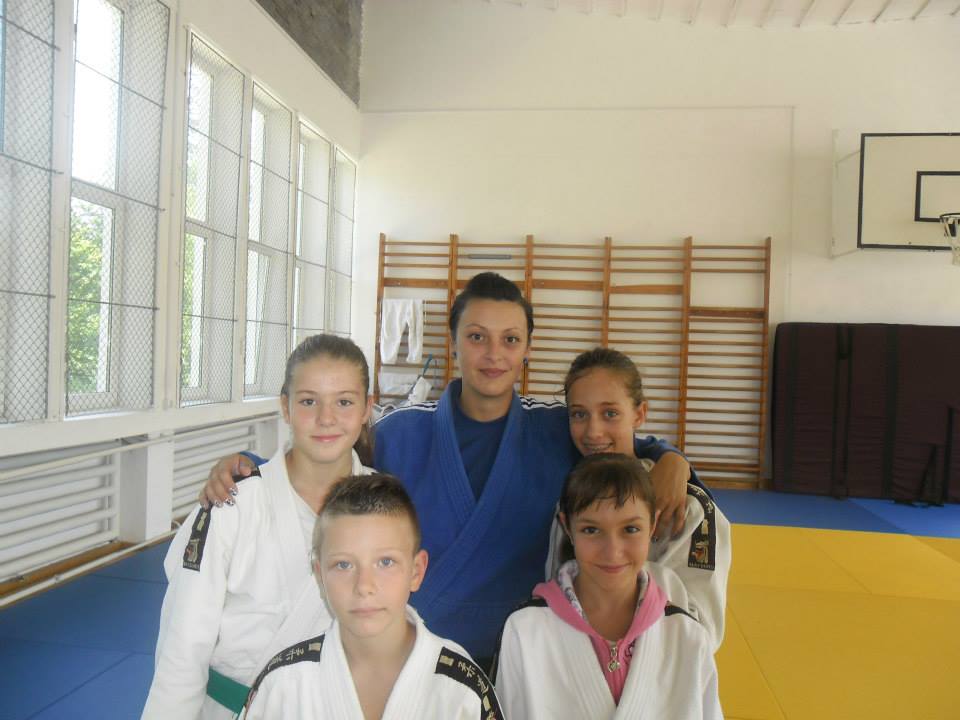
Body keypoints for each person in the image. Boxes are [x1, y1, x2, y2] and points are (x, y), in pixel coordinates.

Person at [198, 272, 697, 664]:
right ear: (454, 341)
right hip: (411, 650)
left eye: (510, 340)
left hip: (520, 649)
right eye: (477, 337)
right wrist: (255, 467)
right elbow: (327, 458)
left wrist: (671, 459)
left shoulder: (553, 428)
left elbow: (615, 443)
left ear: (527, 349)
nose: (493, 355)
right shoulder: (401, 431)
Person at [142, 335, 376, 719]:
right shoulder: (231, 505)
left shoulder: (384, 509)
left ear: (367, 407)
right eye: (308, 401)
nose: (326, 418)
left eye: (345, 402)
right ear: (285, 406)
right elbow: (183, 646)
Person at [240, 474, 504, 720]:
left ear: (416, 571)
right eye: (343, 565)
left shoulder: (463, 688)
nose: (364, 586)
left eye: (386, 562)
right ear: (320, 575)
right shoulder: (283, 683)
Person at [493, 453, 722, 720]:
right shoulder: (524, 631)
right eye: (591, 530)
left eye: (630, 529)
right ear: (567, 527)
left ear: (652, 525)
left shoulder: (688, 637)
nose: (612, 552)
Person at [545, 346, 731, 650]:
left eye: (610, 413)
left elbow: (703, 634)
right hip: (575, 664)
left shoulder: (690, 508)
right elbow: (556, 600)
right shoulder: (571, 500)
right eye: (579, 414)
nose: (593, 431)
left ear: (640, 414)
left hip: (661, 669)